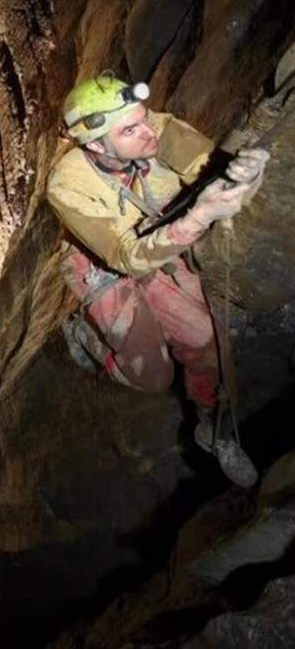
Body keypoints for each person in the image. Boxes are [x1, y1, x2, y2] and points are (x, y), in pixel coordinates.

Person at [47, 74, 269, 487]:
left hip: (162, 245)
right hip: (102, 264)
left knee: (207, 339)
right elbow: (125, 257)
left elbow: (223, 181)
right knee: (153, 377)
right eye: (130, 130)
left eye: (143, 118)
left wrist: (246, 176)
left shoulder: (161, 132)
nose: (148, 133)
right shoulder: (67, 185)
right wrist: (199, 216)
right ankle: (86, 336)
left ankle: (213, 426)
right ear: (96, 145)